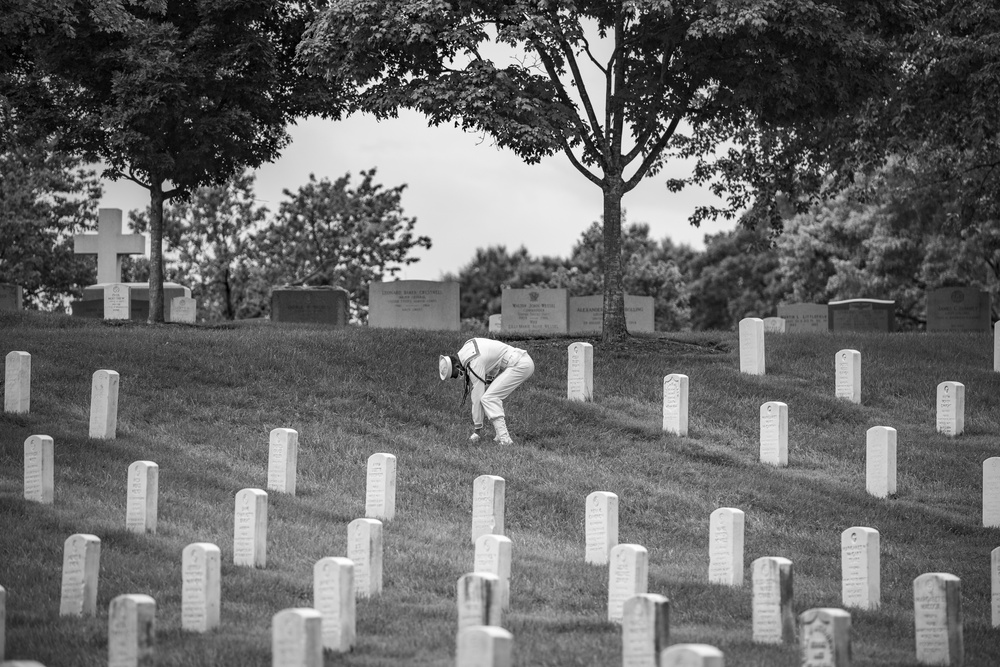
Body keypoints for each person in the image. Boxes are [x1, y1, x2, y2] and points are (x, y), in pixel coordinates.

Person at [439, 337, 534, 445]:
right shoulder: (467, 348)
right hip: (519, 360)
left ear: (457, 366)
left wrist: (477, 430)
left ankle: (505, 439)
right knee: (490, 396)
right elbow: (493, 358)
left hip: (520, 365)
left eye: (454, 375)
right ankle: (500, 435)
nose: (456, 377)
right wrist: (489, 381)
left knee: (489, 398)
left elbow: (477, 397)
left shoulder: (473, 363)